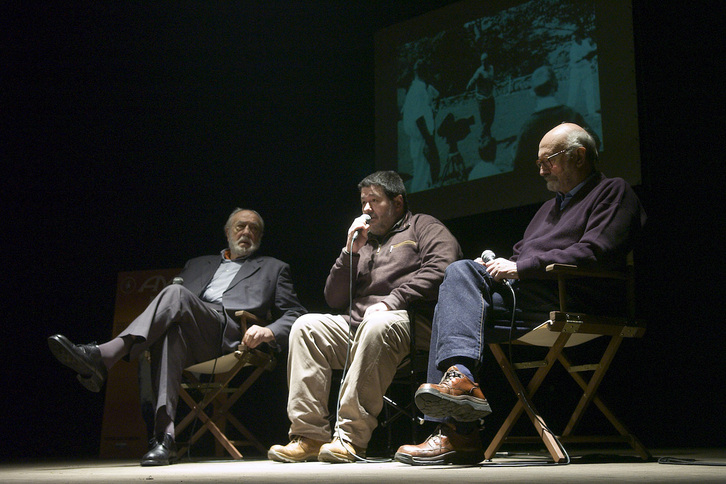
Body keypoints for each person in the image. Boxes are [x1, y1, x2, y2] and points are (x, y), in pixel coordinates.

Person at [395, 123, 646, 465]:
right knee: (456, 288)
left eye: (549, 160)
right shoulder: (547, 209)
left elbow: (596, 251)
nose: (541, 169)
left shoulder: (612, 192)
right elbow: (520, 256)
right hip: (529, 297)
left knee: (458, 278)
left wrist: (521, 268)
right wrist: (505, 265)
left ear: (579, 156)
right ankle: (459, 406)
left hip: (572, 295)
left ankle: (456, 430)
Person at [48, 208, 306, 466]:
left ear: (260, 236)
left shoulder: (274, 268)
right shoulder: (197, 263)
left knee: (176, 293)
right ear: (228, 232)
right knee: (171, 332)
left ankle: (103, 356)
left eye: (254, 229)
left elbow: (295, 313)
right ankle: (164, 438)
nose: (247, 232)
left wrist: (269, 331)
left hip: (230, 335)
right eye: (241, 226)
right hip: (192, 333)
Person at [268, 171, 462, 463]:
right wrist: (349, 252)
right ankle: (309, 435)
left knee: (378, 323)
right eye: (363, 202)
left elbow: (445, 266)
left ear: (397, 202)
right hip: (359, 327)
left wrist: (393, 300)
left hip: (409, 322)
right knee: (306, 326)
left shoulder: (422, 225)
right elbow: (333, 298)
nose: (367, 209)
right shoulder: (363, 244)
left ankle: (350, 438)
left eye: (375, 200)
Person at [511, 65, 595, 175]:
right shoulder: (571, 115)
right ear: (555, 86)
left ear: (534, 92)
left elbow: (520, 165)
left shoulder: (528, 127)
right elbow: (593, 143)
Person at [402, 60, 441, 192]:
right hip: (421, 139)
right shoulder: (418, 90)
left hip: (420, 138)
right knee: (422, 179)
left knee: (424, 175)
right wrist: (429, 141)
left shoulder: (416, 88)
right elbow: (419, 118)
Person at [466, 52, 496, 162]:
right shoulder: (479, 72)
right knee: (485, 120)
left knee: (491, 118)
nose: (484, 63)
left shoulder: (491, 68)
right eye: (482, 61)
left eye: (485, 61)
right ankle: (483, 137)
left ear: (488, 61)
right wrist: (468, 86)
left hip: (490, 96)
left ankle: (486, 136)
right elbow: (472, 80)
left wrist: (495, 84)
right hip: (481, 98)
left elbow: (491, 79)